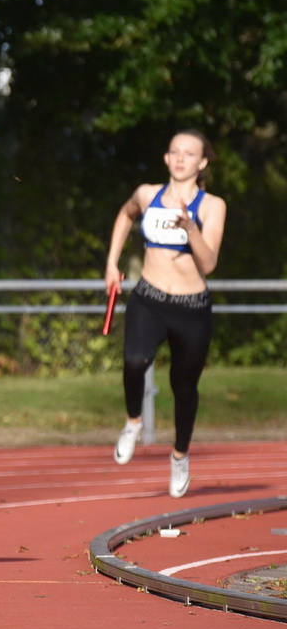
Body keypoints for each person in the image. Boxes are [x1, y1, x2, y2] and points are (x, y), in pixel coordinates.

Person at [105, 129, 227, 498]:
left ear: (202, 162)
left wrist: (190, 227)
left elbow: (209, 263)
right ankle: (133, 422)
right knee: (134, 361)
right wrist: (111, 263)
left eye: (189, 153)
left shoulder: (212, 206)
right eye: (174, 151)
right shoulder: (147, 194)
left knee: (184, 387)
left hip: (191, 307)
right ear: (166, 157)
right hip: (149, 297)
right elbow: (125, 216)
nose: (180, 158)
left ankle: (179, 455)